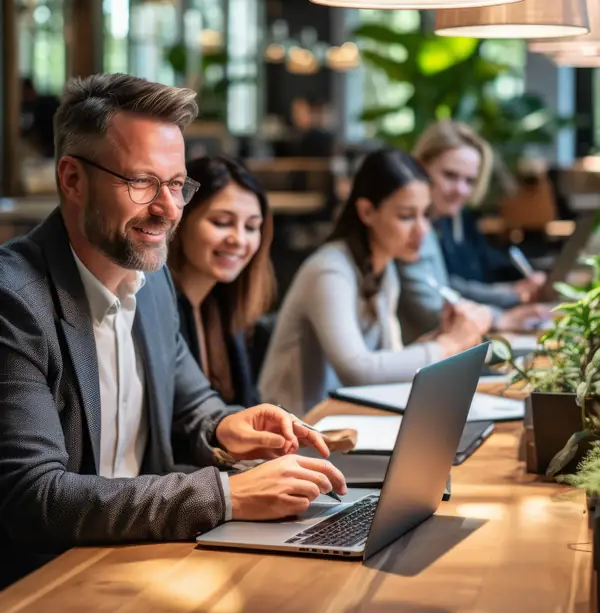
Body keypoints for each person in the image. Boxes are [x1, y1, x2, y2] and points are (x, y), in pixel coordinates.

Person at [0, 73, 347, 592]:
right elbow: (35, 498)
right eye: (141, 182)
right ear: (72, 179)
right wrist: (228, 496)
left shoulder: (154, 282)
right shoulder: (15, 300)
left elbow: (194, 409)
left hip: (151, 560)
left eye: (177, 184)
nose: (167, 209)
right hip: (45, 592)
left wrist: (229, 427)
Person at [259, 148, 490, 416]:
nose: (422, 230)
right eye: (406, 216)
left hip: (344, 421)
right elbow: (359, 371)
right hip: (292, 433)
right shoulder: (330, 271)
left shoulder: (385, 267)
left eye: (426, 214)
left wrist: (442, 334)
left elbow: (387, 362)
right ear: (367, 211)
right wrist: (451, 343)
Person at [397, 120, 547, 344]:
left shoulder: (434, 221)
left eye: (469, 180)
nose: (461, 190)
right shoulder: (408, 228)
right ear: (420, 167)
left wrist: (507, 297)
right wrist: (500, 316)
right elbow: (432, 305)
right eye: (450, 175)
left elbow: (445, 285)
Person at [168, 155, 274, 407]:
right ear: (180, 221)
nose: (238, 239)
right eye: (222, 222)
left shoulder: (223, 304)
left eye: (251, 227)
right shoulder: (157, 308)